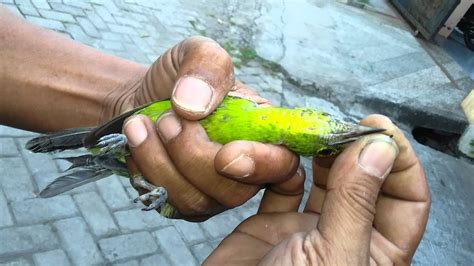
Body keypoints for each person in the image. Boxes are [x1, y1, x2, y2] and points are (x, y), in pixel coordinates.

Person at [0, 7, 430, 265]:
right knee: (130, 145)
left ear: (306, 149)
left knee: (146, 161)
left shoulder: (265, 152)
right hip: (138, 116)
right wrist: (122, 104)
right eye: (318, 119)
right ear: (303, 112)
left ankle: (118, 164)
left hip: (138, 137)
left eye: (320, 142)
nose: (318, 128)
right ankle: (104, 149)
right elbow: (164, 102)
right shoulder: (252, 106)